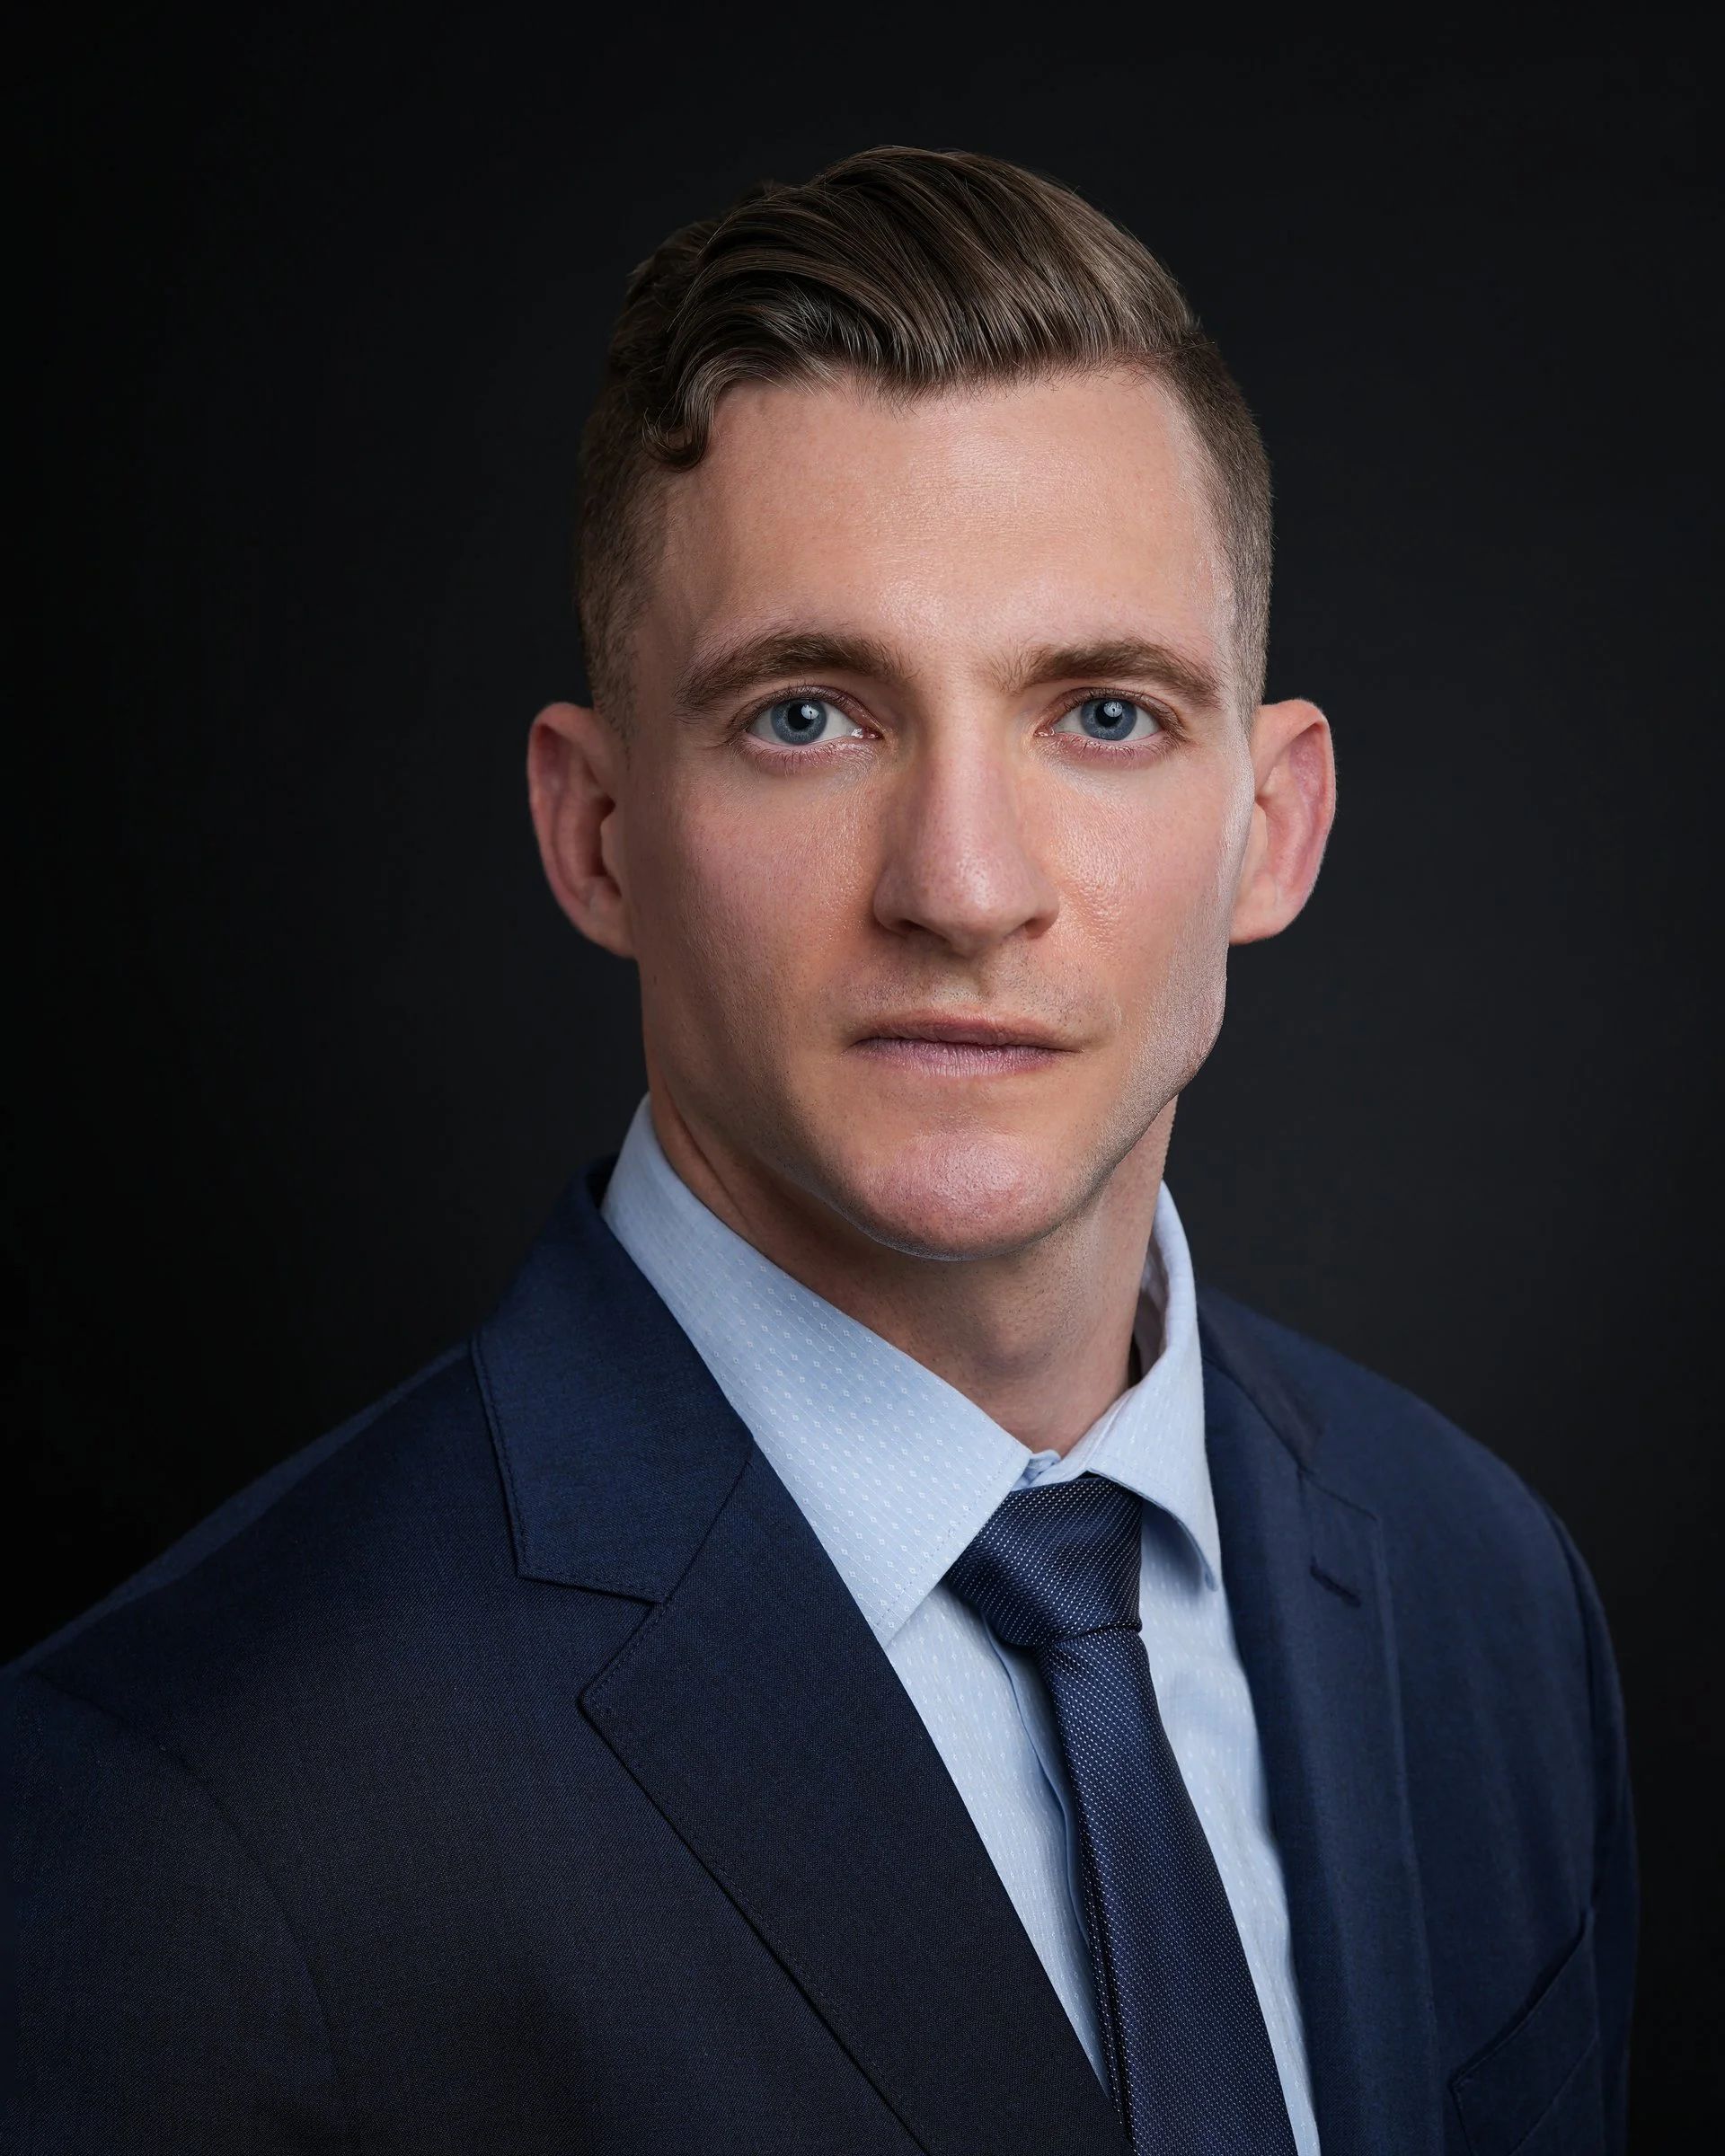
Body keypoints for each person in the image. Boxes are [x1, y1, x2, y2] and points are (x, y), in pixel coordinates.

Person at [7, 146, 1634, 2155]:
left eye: (1104, 715)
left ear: (1273, 827)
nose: (961, 886)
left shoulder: (1486, 1592)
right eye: (807, 716)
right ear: (596, 830)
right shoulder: (186, 1822)